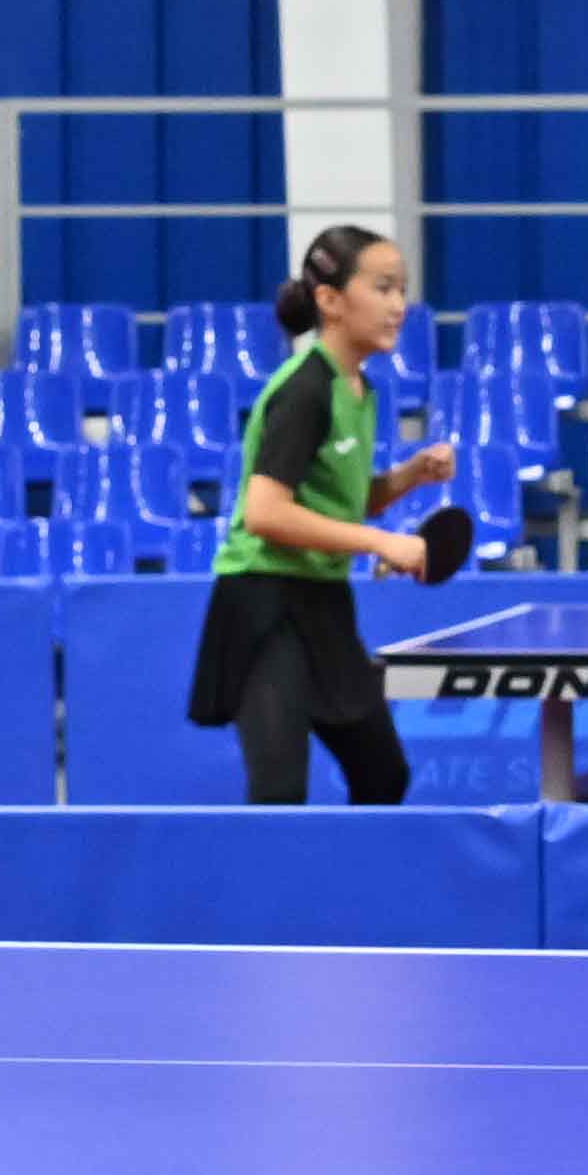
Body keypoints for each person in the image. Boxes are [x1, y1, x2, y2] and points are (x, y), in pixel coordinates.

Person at [190, 223, 458, 805]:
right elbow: (265, 513)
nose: (399, 306)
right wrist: (380, 543)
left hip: (323, 604)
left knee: (383, 775)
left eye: (402, 289)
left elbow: (339, 500)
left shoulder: (359, 389)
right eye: (382, 288)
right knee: (279, 792)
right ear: (330, 301)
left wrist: (410, 475)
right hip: (263, 604)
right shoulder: (305, 390)